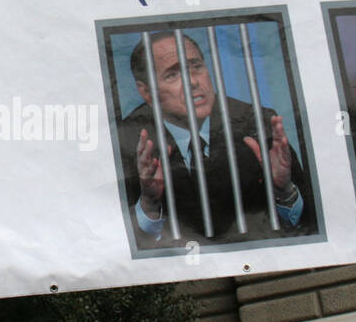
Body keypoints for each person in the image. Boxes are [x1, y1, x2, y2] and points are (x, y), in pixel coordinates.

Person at [117, 31, 312, 248]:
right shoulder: (128, 141)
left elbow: (309, 226)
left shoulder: (258, 123)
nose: (192, 81)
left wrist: (283, 191)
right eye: (172, 75)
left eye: (196, 66)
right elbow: (120, 246)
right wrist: (149, 205)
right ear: (146, 92)